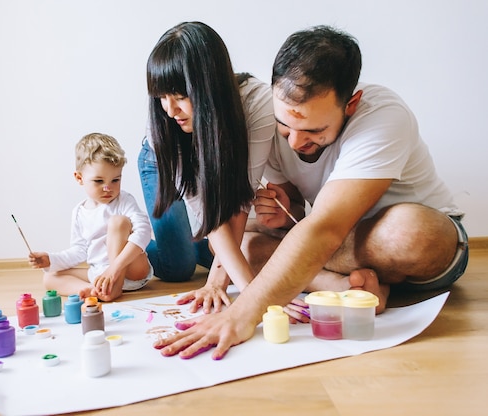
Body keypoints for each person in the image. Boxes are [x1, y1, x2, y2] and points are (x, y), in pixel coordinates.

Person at [153, 25, 468, 360]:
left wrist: (243, 311)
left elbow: (325, 228)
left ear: (351, 104)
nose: (295, 142)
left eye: (314, 130)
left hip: (419, 249)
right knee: (243, 243)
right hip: (344, 252)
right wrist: (286, 211)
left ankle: (330, 280)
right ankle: (345, 287)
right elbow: (301, 216)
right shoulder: (271, 123)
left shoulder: (384, 115)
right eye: (285, 126)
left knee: (406, 232)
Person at [137, 21, 276, 311]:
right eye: (162, 97)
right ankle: (126, 245)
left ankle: (200, 241)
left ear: (209, 86)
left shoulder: (259, 103)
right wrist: (255, 298)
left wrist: (230, 286)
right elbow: (213, 216)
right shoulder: (165, 125)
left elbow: (237, 202)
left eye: (180, 96)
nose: (170, 109)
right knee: (178, 265)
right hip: (160, 159)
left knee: (218, 247)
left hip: (215, 168)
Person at [29, 132, 153, 302]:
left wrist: (114, 268)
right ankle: (93, 290)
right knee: (50, 277)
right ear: (79, 178)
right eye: (99, 181)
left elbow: (144, 231)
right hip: (101, 273)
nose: (108, 188)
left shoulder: (124, 200)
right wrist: (50, 259)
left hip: (131, 270)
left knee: (118, 222)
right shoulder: (79, 212)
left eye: (115, 180)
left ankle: (114, 286)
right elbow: (79, 251)